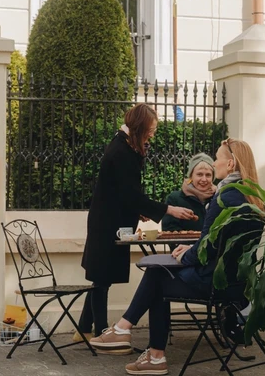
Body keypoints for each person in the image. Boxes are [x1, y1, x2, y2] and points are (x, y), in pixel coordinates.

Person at [89, 138, 265, 375]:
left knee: (156, 276)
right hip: (238, 284)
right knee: (158, 272)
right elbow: (220, 244)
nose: (214, 163)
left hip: (215, 283)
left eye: (217, 158)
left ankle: (141, 345)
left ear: (231, 164)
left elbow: (208, 248)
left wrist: (187, 255)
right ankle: (132, 338)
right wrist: (190, 250)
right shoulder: (251, 197)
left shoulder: (225, 197)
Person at [77, 104, 197, 343]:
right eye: (150, 130)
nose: (152, 134)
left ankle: (83, 329)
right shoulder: (122, 151)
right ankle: (101, 333)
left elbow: (122, 193)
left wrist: (138, 210)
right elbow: (130, 195)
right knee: (102, 277)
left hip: (108, 219)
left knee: (101, 275)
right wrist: (168, 209)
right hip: (108, 222)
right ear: (140, 127)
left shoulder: (123, 145)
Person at [161, 153, 216, 234]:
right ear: (191, 176)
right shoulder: (175, 199)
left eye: (208, 175)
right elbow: (170, 230)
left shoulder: (218, 198)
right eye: (199, 174)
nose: (204, 179)